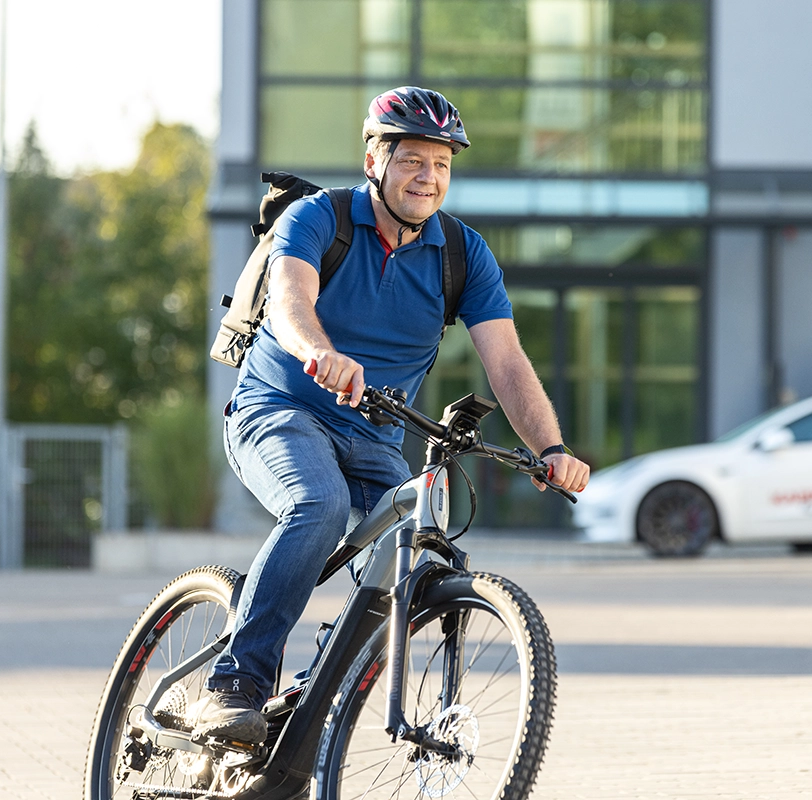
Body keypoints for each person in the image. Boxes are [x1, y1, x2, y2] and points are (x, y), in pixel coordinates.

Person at [194, 86, 591, 744]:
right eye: (412, 161)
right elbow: (292, 301)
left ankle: (310, 698)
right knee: (316, 505)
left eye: (441, 165)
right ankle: (234, 683)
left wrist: (550, 449)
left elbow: (508, 365)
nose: (428, 178)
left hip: (374, 434)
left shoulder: (464, 255)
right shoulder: (320, 217)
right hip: (279, 409)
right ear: (374, 158)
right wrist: (320, 353)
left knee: (415, 561)